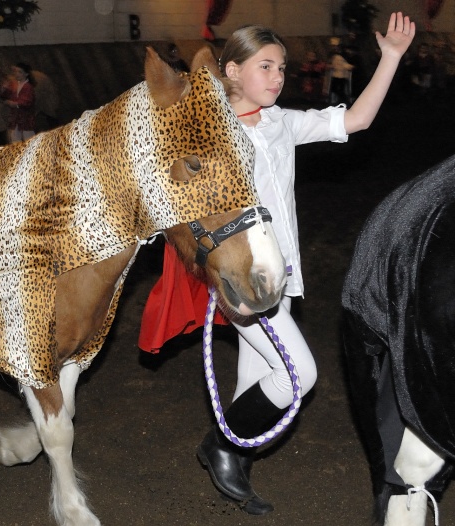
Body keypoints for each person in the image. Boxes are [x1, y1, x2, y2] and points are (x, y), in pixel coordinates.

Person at [139, 12, 415, 515]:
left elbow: (356, 119)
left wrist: (392, 56)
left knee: (253, 388)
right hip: (244, 280)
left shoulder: (281, 122)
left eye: (282, 68)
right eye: (265, 66)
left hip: (281, 276)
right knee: (297, 377)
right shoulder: (210, 135)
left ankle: (235, 465)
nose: (278, 77)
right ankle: (219, 448)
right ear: (232, 72)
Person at [1, 62, 36, 143]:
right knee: (15, 141)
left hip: (25, 119)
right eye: (16, 72)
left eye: (20, 72)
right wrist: (4, 89)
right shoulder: (13, 85)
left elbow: (27, 102)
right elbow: (5, 95)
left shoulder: (28, 87)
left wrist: (13, 104)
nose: (17, 74)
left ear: (26, 74)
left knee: (30, 141)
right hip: (15, 119)